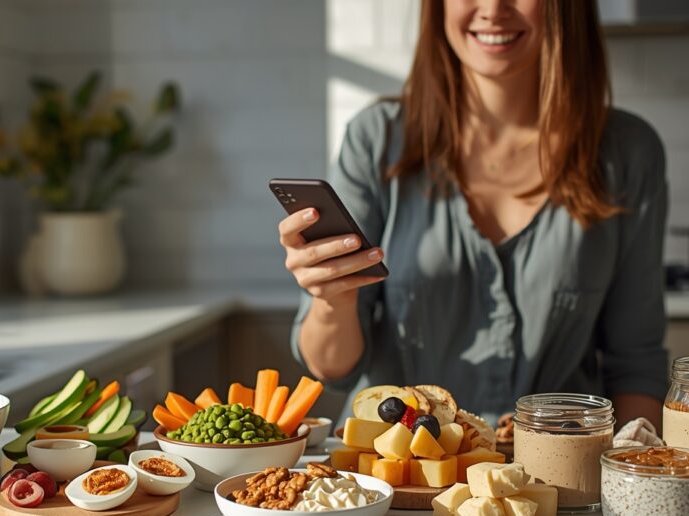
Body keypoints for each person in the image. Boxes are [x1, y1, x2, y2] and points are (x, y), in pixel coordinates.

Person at [278, 0, 668, 430]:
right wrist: (332, 299)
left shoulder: (628, 152)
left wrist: (635, 475)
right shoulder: (376, 140)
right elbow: (332, 369)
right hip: (396, 476)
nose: (492, 8)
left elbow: (636, 364)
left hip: (556, 478)